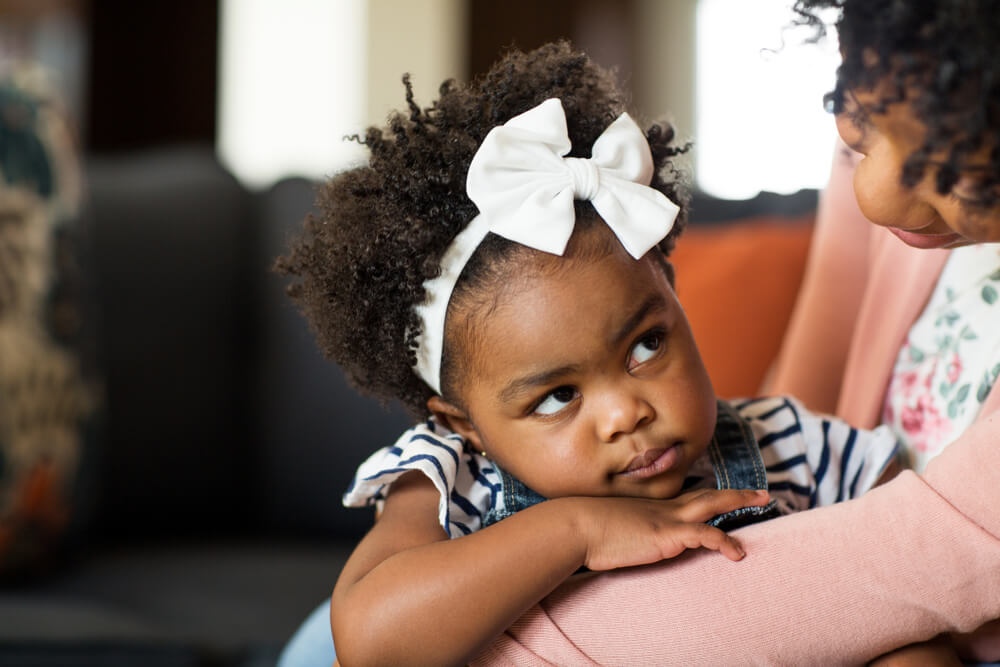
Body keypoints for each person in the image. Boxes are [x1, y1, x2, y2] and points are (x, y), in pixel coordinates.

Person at [275, 42, 903, 666]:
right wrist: (576, 530)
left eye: (646, 346)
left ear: (676, 301)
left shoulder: (799, 450)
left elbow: (909, 586)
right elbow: (371, 644)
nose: (626, 414)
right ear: (467, 423)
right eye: (558, 396)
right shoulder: (455, 478)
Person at [462, 0, 1000, 664]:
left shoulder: (810, 453)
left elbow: (934, 566)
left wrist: (473, 637)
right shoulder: (455, 476)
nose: (874, 196)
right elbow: (815, 379)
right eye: (859, 124)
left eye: (949, 165)